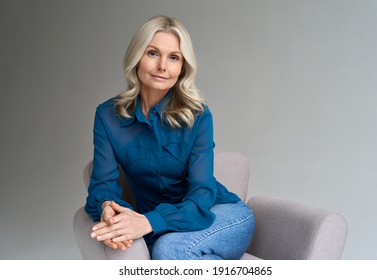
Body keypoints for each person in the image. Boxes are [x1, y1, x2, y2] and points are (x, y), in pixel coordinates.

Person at [84, 15, 255, 260]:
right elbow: (102, 186)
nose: (162, 66)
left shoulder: (199, 116)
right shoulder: (107, 116)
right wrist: (108, 209)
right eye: (153, 53)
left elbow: (202, 195)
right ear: (137, 56)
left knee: (169, 249)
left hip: (222, 214)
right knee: (178, 253)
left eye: (173, 57)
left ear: (182, 67)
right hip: (169, 229)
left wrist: (148, 221)